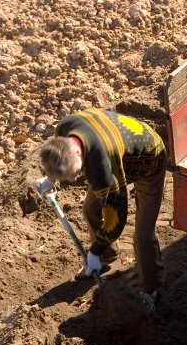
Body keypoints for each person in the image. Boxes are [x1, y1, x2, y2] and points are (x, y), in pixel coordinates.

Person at [39, 108, 167, 312]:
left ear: (79, 153)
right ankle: (107, 256)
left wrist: (93, 250)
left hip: (149, 160)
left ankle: (151, 289)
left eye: (74, 172)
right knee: (90, 208)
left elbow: (116, 218)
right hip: (119, 151)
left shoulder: (101, 164)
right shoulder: (64, 128)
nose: (73, 179)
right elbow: (57, 157)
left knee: (142, 235)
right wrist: (50, 179)